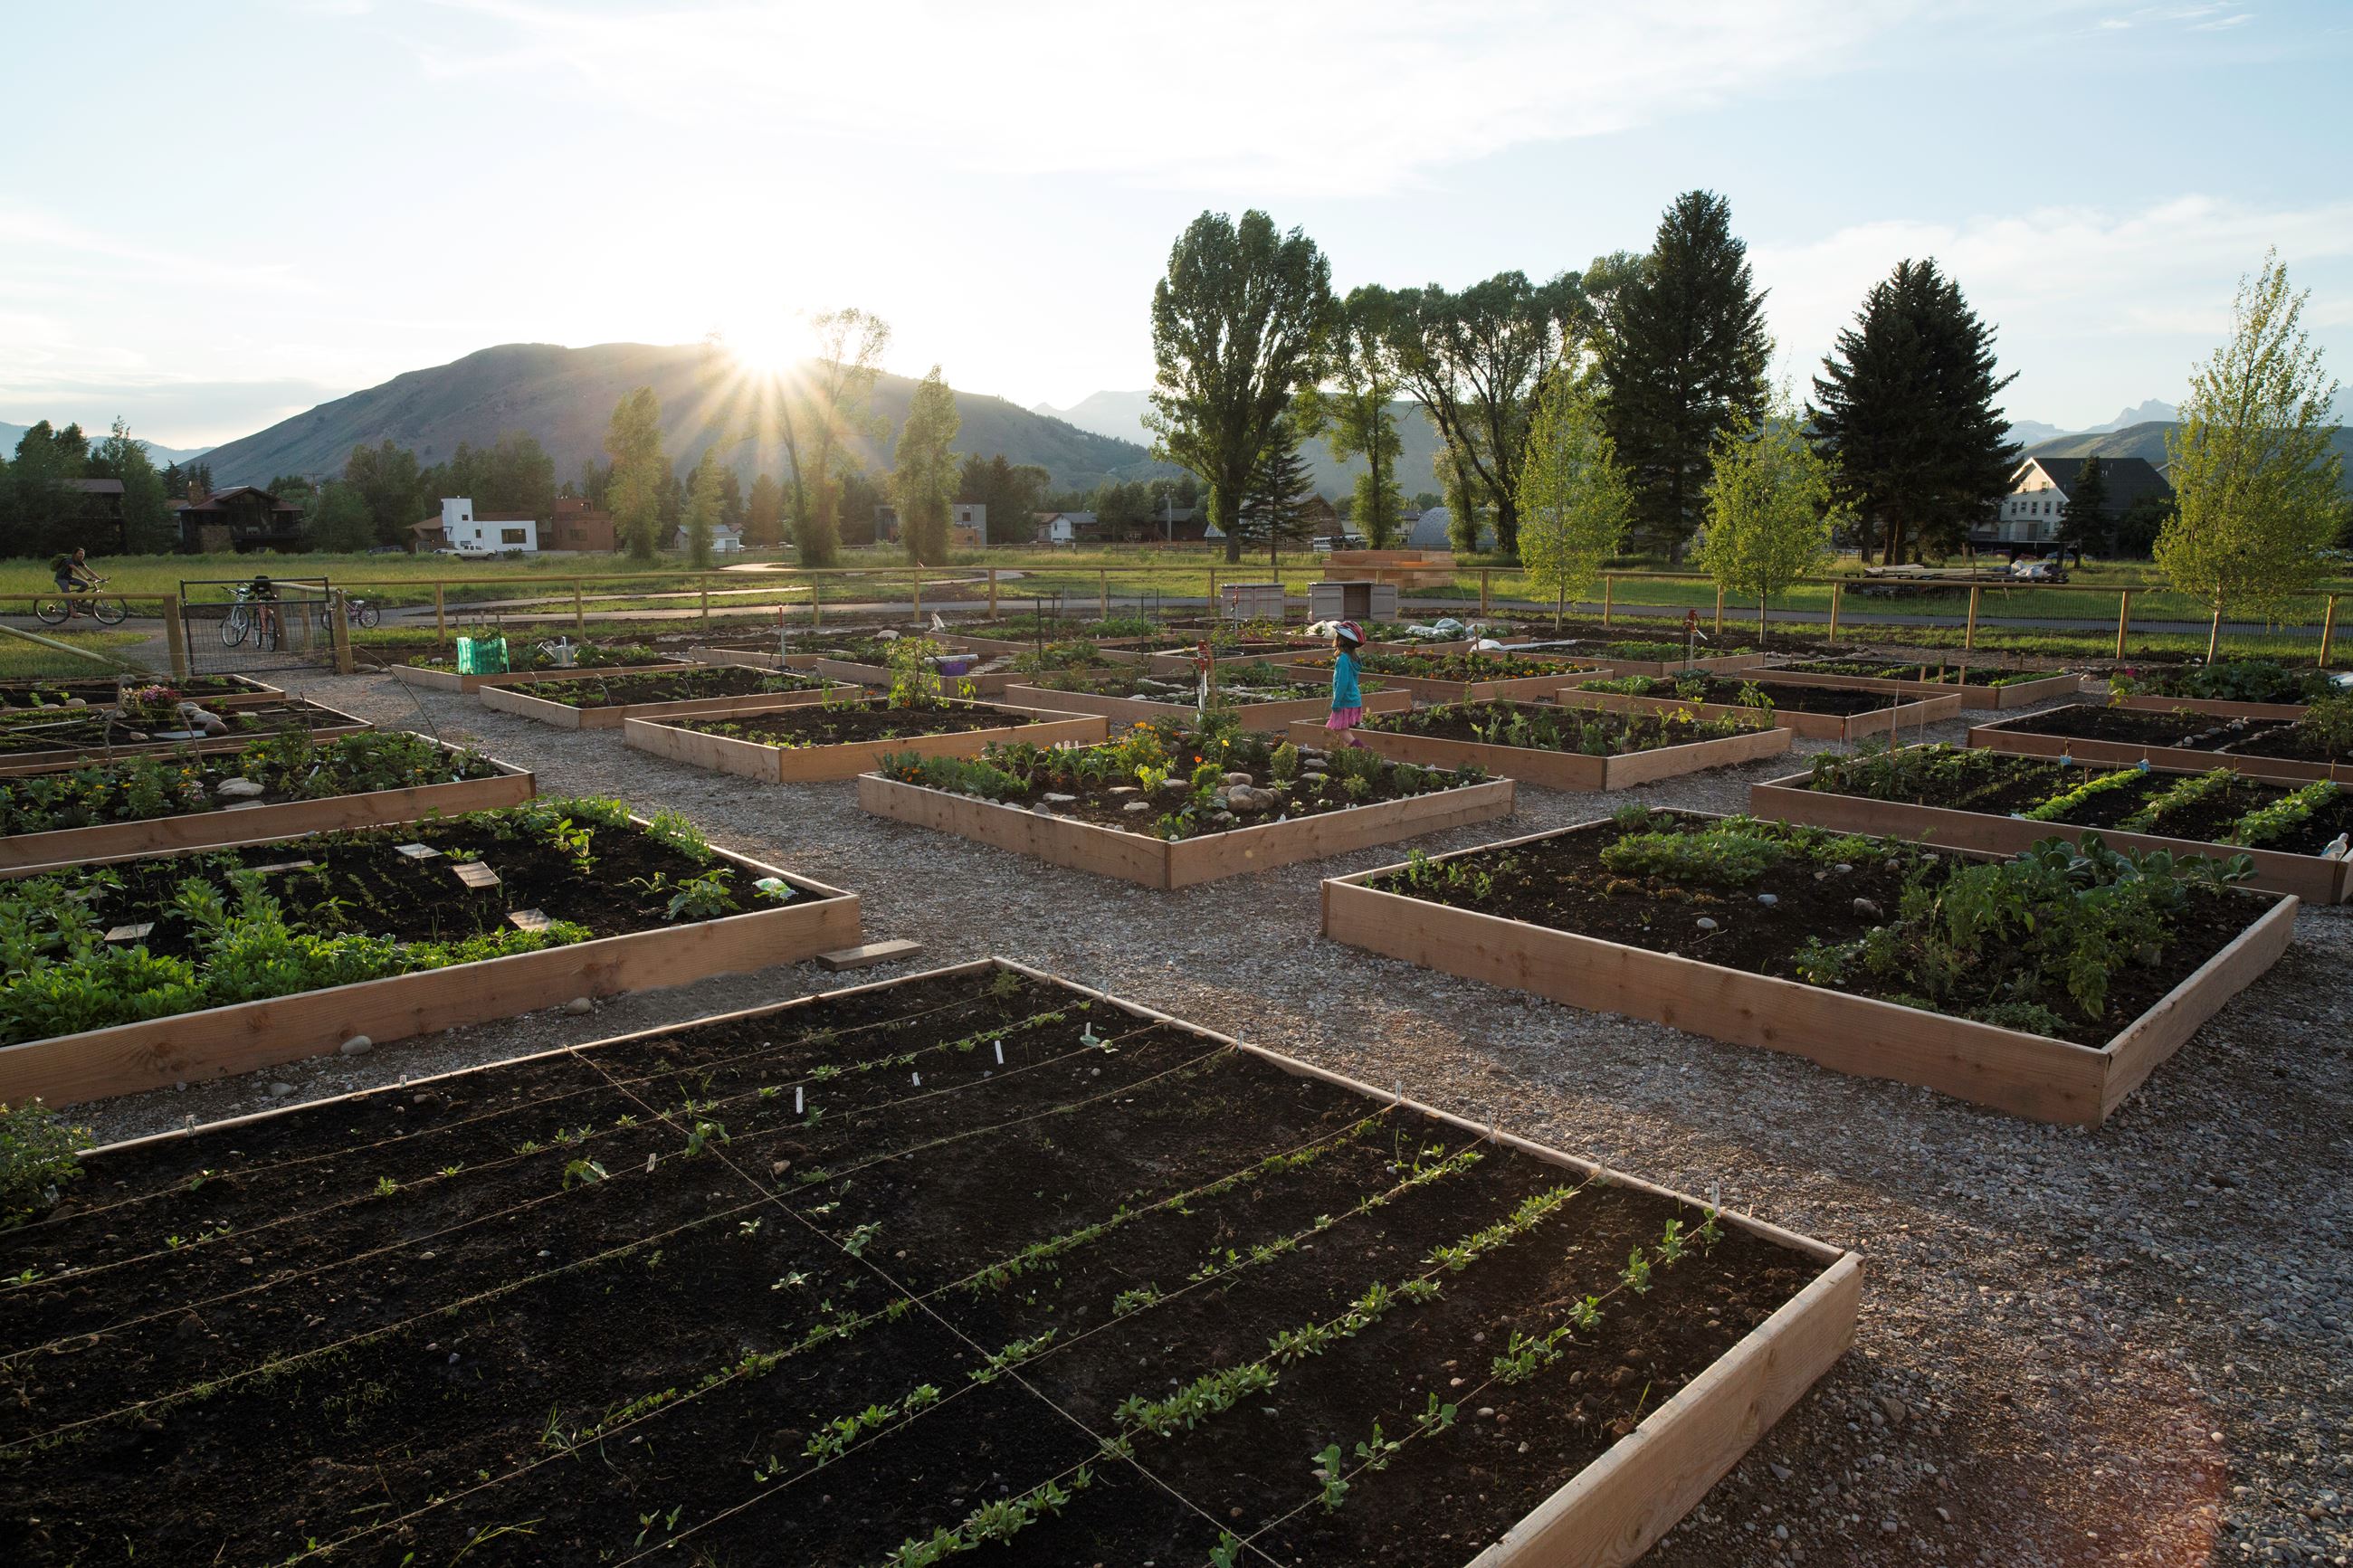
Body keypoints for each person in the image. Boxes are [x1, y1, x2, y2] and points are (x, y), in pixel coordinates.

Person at [1325, 620, 1367, 743]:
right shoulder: (1354, 659)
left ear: (1340, 641)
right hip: (1354, 699)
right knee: (1344, 728)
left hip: (1345, 700)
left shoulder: (1343, 659)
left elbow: (1343, 683)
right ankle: (1349, 750)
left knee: (1339, 728)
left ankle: (1360, 748)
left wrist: (1336, 702)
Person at [49, 548, 100, 617]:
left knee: (85, 585)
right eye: (80, 553)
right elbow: (76, 570)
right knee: (67, 594)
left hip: (69, 578)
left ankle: (75, 598)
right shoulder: (68, 560)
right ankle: (73, 612)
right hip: (61, 579)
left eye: (83, 554)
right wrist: (86, 578)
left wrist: (100, 579)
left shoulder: (79, 561)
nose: (81, 555)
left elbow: (88, 570)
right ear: (75, 554)